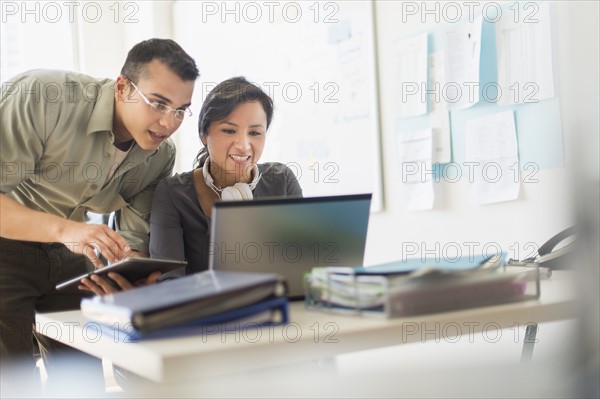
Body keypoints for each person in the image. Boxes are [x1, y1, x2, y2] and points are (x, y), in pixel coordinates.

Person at [0, 38, 199, 393]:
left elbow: (134, 239)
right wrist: (67, 231)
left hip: (69, 253)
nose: (169, 122)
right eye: (158, 103)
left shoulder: (159, 157)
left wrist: (132, 271)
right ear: (122, 87)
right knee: (12, 381)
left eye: (181, 110)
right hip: (8, 241)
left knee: (81, 382)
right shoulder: (43, 98)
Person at [149, 77, 303, 275]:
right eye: (229, 130)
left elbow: (301, 267)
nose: (243, 145)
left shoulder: (282, 181)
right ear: (204, 134)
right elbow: (169, 283)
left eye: (255, 133)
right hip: (204, 306)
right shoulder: (173, 194)